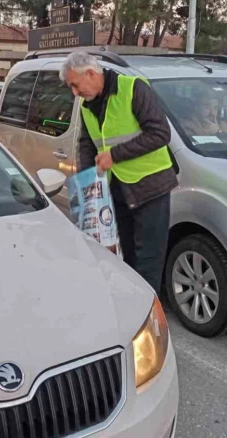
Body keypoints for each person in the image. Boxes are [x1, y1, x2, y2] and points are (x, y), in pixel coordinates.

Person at [61, 51, 177, 291]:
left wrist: (114, 155)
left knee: (148, 262)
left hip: (150, 189)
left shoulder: (133, 88)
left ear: (91, 73)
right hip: (117, 191)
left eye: (75, 85)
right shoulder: (86, 105)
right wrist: (88, 182)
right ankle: (131, 304)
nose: (74, 92)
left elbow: (160, 133)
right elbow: (87, 143)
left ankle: (148, 311)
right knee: (127, 259)